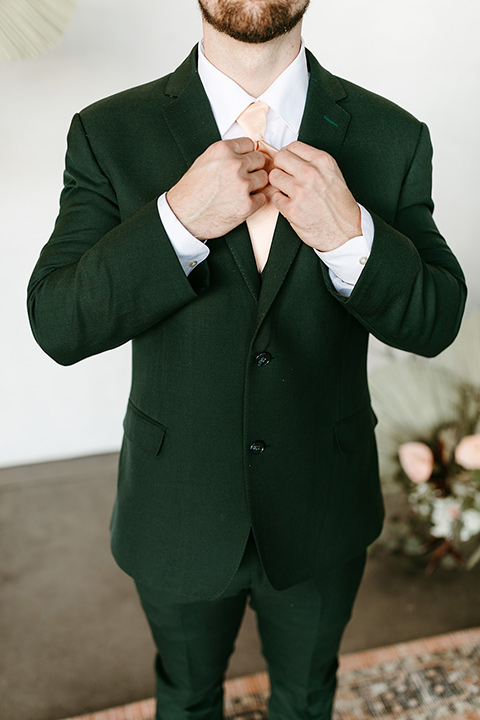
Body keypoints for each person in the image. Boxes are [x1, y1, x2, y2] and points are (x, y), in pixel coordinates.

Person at [27, 1, 467, 718]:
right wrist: (176, 223)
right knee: (185, 693)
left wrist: (350, 237)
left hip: (325, 504)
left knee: (306, 695)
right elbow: (57, 322)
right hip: (175, 506)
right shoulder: (108, 133)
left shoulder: (393, 137)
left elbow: (434, 319)